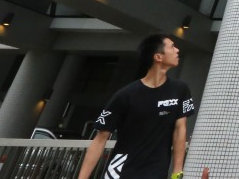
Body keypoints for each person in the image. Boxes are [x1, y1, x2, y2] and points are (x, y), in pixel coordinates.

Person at [77, 34, 196, 179]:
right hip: (121, 170)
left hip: (156, 171)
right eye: (172, 46)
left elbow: (180, 130)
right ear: (158, 57)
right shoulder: (126, 95)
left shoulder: (180, 89)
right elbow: (101, 138)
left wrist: (177, 171)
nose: (177, 50)